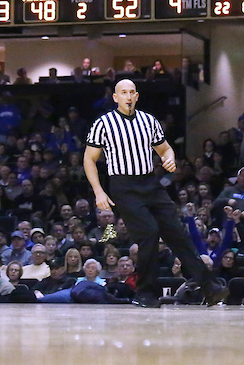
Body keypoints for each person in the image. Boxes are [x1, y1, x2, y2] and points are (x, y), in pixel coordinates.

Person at [83, 78, 229, 308]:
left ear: (137, 96)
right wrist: (98, 191)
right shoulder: (104, 123)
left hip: (151, 182)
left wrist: (169, 158)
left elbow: (165, 148)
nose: (128, 96)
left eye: (131, 92)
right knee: (149, 233)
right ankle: (144, 292)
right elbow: (89, 159)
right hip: (123, 185)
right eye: (123, 92)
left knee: (177, 232)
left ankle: (209, 287)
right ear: (115, 97)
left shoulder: (148, 120)